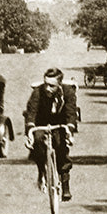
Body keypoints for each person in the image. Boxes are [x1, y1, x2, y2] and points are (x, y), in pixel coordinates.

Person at [23, 67, 78, 201]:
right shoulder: (38, 92)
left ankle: (65, 186)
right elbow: (32, 112)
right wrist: (30, 131)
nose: (47, 88)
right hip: (41, 123)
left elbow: (71, 113)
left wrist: (69, 132)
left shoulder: (68, 93)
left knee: (62, 148)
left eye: (52, 86)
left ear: (59, 85)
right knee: (37, 142)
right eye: (46, 84)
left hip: (60, 124)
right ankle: (42, 171)